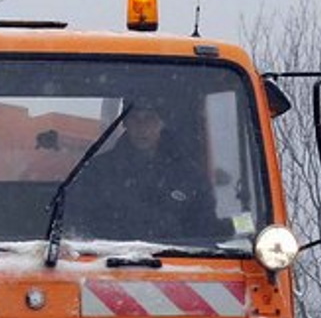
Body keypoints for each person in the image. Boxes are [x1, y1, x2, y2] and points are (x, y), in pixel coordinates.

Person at [78, 99, 224, 241]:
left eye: (150, 118)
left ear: (162, 122)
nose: (142, 126)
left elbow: (207, 232)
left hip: (178, 263)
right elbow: (79, 227)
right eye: (134, 118)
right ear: (124, 123)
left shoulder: (189, 176)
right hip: (105, 261)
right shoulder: (98, 172)